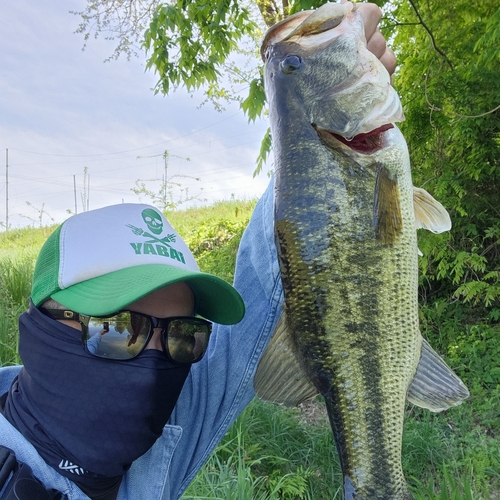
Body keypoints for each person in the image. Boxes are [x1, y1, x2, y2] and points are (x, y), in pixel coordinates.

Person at [0, 4, 396, 500]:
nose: (153, 365)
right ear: (41, 326)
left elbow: (271, 281)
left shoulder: (171, 427)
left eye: (183, 337)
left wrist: (325, 118)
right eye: (118, 328)